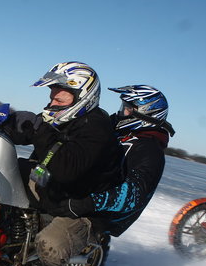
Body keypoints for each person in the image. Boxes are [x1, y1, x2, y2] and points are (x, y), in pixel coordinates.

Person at [2, 61, 124, 266]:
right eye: (52, 97)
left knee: (50, 247)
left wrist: (39, 129)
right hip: (52, 188)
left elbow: (66, 169)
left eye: (59, 98)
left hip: (80, 207)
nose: (52, 103)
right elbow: (29, 130)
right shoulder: (63, 115)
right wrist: (3, 122)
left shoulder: (97, 128)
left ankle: (36, 264)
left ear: (83, 95)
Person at [43, 84, 175, 237]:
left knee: (50, 245)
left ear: (145, 114)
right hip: (80, 191)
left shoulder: (149, 152)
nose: (121, 112)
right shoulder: (117, 132)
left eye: (127, 109)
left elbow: (135, 193)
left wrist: (89, 203)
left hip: (100, 214)